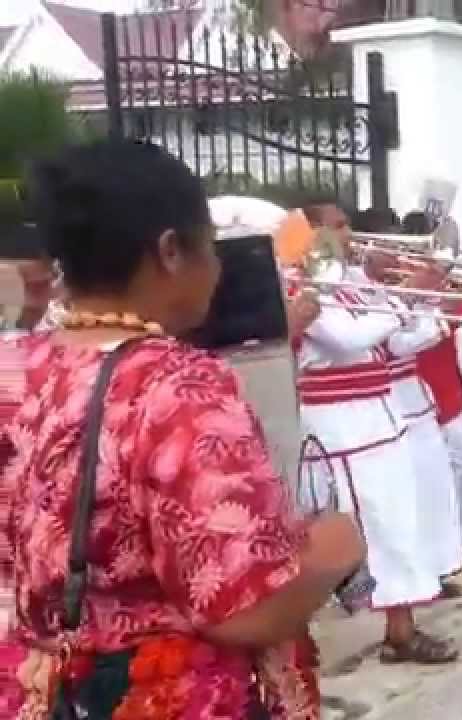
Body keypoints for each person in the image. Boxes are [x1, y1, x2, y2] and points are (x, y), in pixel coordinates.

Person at [0, 140, 366, 718]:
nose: (218, 269)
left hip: (43, 690)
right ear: (171, 250)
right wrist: (335, 549)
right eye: (211, 248)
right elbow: (246, 609)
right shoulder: (179, 388)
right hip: (159, 694)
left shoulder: (15, 368)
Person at [296, 200, 459, 664]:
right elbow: (348, 338)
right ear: (312, 234)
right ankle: (308, 637)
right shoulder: (303, 286)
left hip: (379, 421)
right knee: (356, 534)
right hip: (341, 428)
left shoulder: (352, 283)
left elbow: (396, 341)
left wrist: (428, 298)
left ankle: (400, 631)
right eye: (338, 226)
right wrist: (408, 295)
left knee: (395, 527)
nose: (349, 235)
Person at [409, 252, 462, 561]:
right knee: (440, 478)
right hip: (419, 403)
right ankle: (445, 543)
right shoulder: (402, 301)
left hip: (447, 398)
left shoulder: (441, 294)